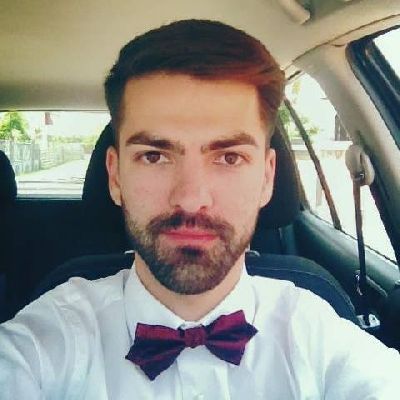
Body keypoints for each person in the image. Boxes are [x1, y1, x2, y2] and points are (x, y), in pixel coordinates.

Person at [0, 19, 399, 400]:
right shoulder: (48, 339)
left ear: (266, 178)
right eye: (154, 156)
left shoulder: (319, 334)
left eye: (229, 157)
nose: (191, 198)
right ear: (115, 177)